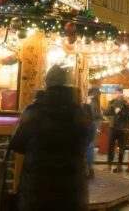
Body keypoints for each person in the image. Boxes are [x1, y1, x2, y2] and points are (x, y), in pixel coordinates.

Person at [11, 65, 90, 211]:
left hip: (37, 188)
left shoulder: (33, 110)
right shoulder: (78, 112)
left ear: (47, 82)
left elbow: (17, 144)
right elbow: (86, 141)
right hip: (70, 189)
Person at [105, 94, 129, 172]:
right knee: (111, 147)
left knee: (121, 148)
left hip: (122, 129)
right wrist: (112, 108)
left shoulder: (126, 106)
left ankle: (118, 165)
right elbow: (106, 112)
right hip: (113, 128)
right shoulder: (112, 104)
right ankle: (110, 165)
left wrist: (121, 112)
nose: (119, 100)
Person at [82, 88, 102, 178]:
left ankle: (89, 169)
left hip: (90, 125)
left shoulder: (92, 104)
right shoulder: (96, 103)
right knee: (90, 147)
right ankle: (90, 169)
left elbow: (91, 115)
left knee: (89, 147)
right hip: (92, 126)